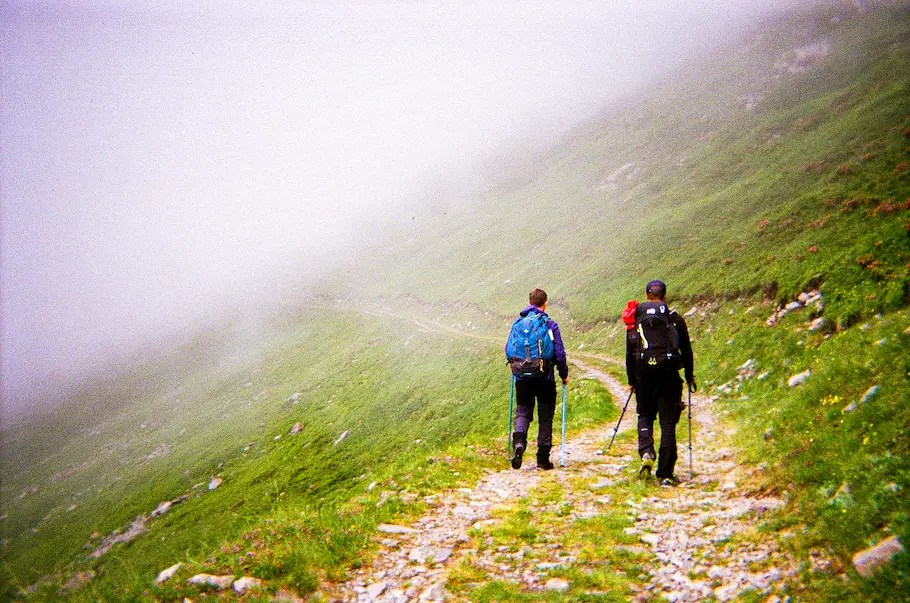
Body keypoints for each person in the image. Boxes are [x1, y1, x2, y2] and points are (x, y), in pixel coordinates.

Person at [625, 280, 695, 486]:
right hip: (669, 378)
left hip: (644, 377)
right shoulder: (675, 320)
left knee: (645, 415)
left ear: (646, 296)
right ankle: (665, 473)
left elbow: (630, 353)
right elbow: (687, 352)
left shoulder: (636, 320)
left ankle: (647, 451)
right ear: (665, 296)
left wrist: (632, 380)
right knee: (667, 424)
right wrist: (689, 376)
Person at [505, 288, 569, 470]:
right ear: (545, 303)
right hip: (545, 377)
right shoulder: (549, 324)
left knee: (523, 411)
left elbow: (508, 349)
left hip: (522, 377)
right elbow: (559, 353)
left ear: (529, 302)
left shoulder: (518, 323)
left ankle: (519, 443)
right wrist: (564, 375)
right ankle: (542, 459)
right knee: (545, 416)